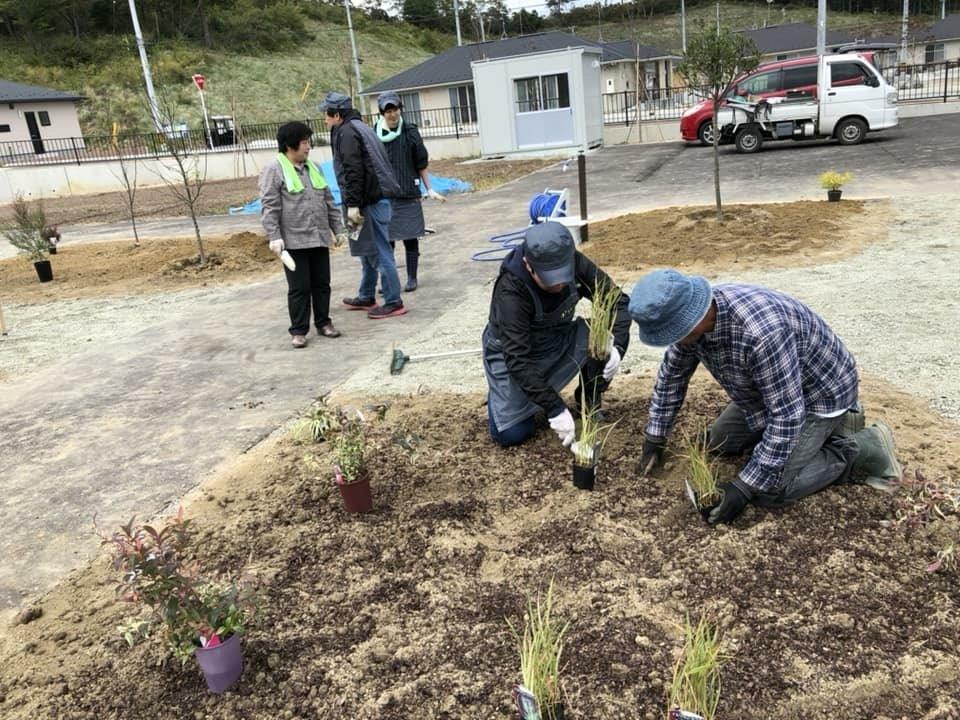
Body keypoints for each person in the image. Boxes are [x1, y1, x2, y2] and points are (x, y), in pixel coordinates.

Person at [629, 269, 902, 525]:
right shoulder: (694, 325)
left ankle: (864, 447)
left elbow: (787, 415)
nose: (672, 340)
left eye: (673, 333)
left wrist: (744, 487)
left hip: (819, 396)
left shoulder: (761, 333)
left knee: (769, 490)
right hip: (767, 390)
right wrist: (656, 435)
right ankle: (829, 434)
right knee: (717, 442)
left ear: (693, 318)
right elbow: (672, 377)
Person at [483, 221, 631, 448]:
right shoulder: (511, 290)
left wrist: (617, 348)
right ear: (528, 265)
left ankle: (588, 400)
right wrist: (555, 408)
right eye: (551, 279)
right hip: (516, 353)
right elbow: (517, 359)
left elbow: (618, 301)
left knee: (600, 339)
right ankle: (506, 395)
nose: (560, 285)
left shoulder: (572, 260)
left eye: (564, 276)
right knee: (512, 434)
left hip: (558, 338)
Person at [258, 121, 346, 348]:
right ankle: (298, 330)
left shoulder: (314, 167)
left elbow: (328, 200)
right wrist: (274, 236)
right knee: (299, 288)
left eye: (309, 142)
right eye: (304, 142)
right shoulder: (274, 171)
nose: (308, 147)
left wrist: (338, 229)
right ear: (290, 145)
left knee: (322, 284)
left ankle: (324, 322)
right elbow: (270, 206)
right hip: (294, 241)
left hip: (318, 237)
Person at [320, 91, 406, 320]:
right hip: (365, 200)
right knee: (364, 249)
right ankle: (366, 294)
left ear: (336, 114)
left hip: (366, 203)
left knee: (378, 250)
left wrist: (354, 205)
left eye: (326, 115)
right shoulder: (356, 126)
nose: (324, 119)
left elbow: (354, 170)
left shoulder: (348, 132)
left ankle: (393, 301)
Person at [373, 91, 445, 292]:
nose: (392, 114)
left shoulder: (410, 131)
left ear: (400, 110)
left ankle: (412, 277)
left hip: (408, 191)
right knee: (387, 240)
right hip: (384, 195)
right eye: (388, 111)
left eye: (395, 109)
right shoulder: (374, 134)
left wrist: (429, 188)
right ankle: (388, 279)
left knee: (410, 236)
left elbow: (421, 162)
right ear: (381, 113)